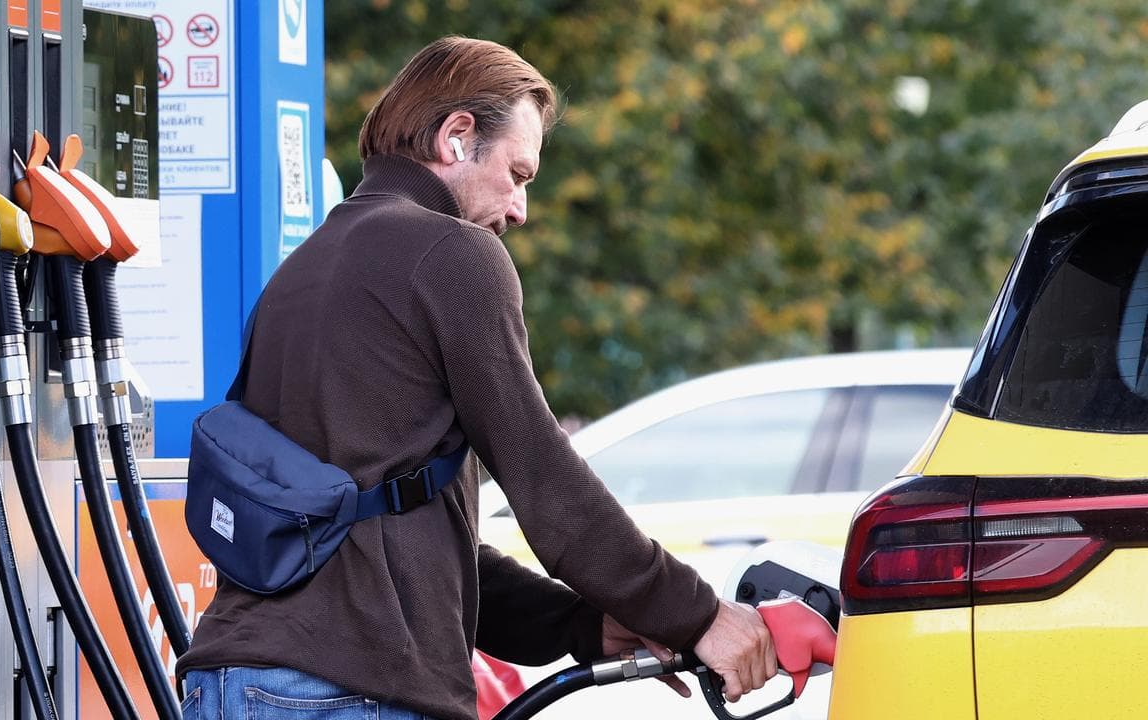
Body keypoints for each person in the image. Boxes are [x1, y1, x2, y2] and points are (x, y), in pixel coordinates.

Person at [176, 36, 777, 720]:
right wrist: (699, 617)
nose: (519, 209)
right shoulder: (452, 255)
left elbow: (391, 536)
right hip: (352, 690)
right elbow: (547, 485)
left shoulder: (301, 274)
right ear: (457, 137)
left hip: (233, 685)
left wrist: (583, 625)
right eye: (517, 174)